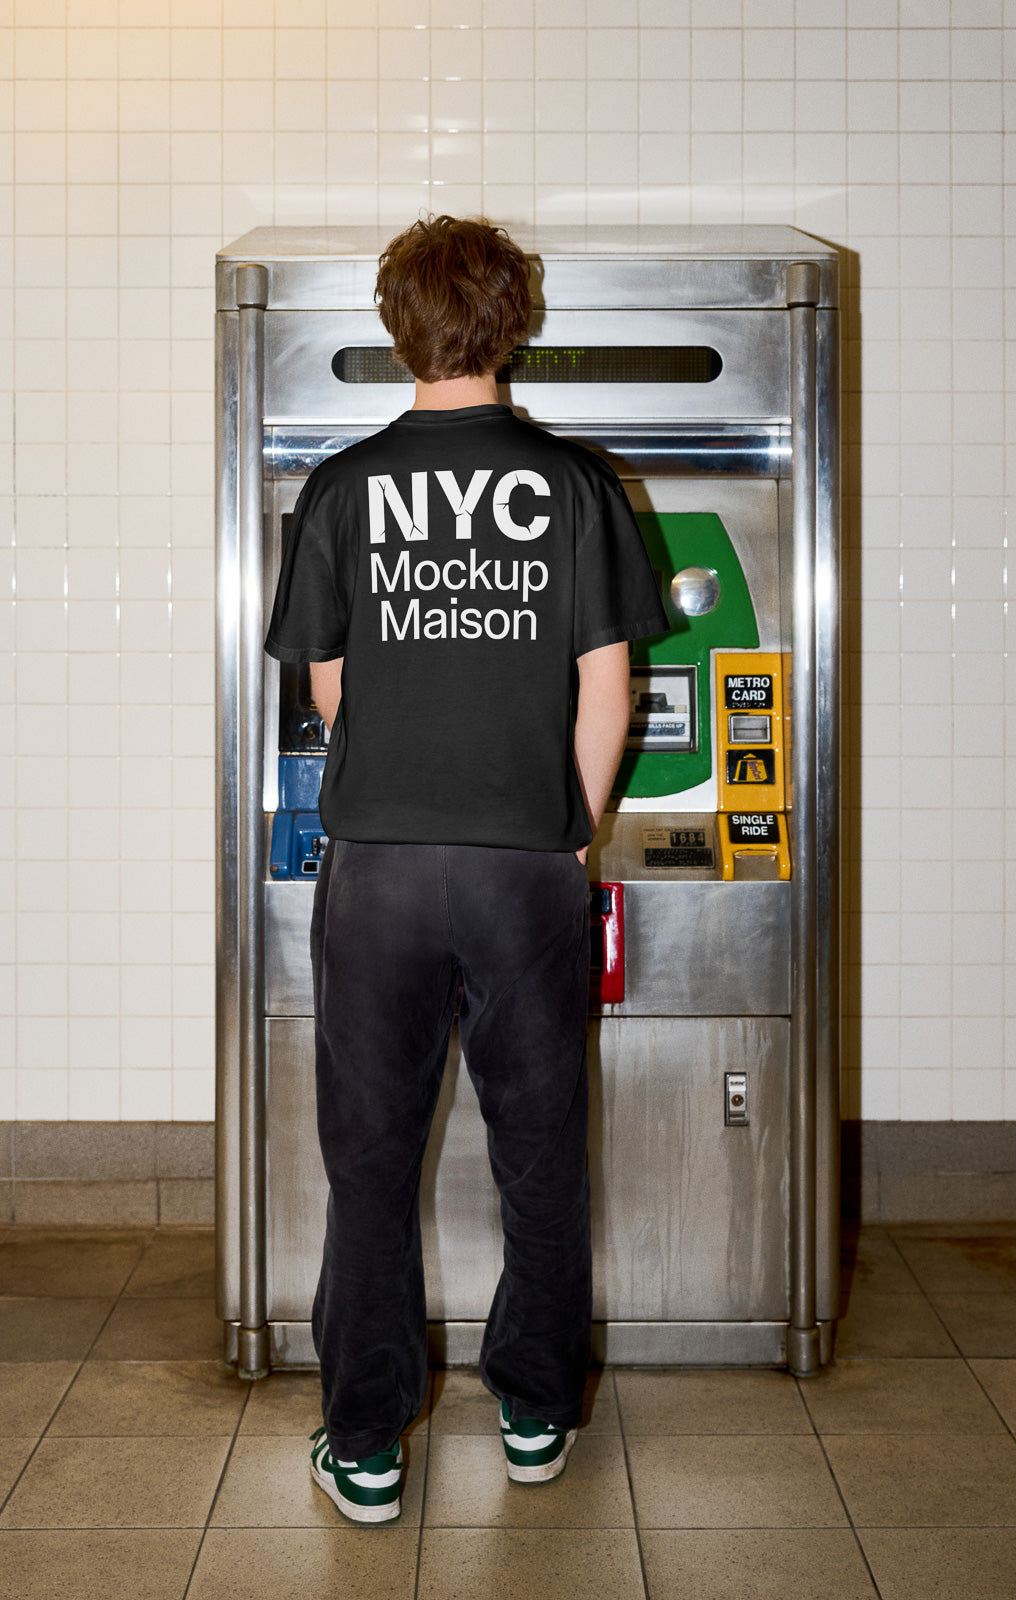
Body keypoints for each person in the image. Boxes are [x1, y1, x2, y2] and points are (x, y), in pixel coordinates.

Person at [264, 215, 667, 1523]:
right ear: (514, 324)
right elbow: (606, 690)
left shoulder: (342, 489)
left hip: (379, 867)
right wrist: (570, 829)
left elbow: (330, 690)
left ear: (397, 331)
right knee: (539, 1149)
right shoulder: (576, 486)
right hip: (524, 870)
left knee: (371, 1156)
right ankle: (536, 1413)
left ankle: (367, 1442)